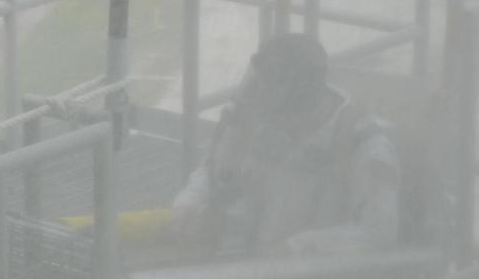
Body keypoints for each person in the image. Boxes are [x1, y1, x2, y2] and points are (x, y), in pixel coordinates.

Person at [169, 33, 401, 258]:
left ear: (306, 96)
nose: (259, 104)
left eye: (273, 89)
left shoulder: (366, 148)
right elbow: (214, 170)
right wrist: (191, 202)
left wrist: (299, 248)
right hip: (244, 264)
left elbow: (378, 233)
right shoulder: (257, 118)